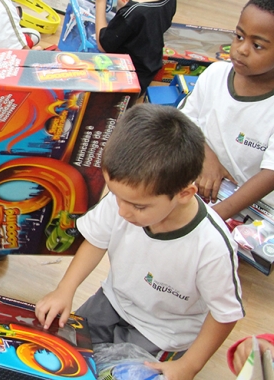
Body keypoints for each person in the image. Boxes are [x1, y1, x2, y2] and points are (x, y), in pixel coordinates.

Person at [35, 105, 244, 380]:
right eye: (116, 196)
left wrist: (189, 366)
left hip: (163, 332)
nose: (122, 211)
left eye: (138, 206)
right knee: (57, 353)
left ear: (184, 193)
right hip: (111, 301)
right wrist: (65, 289)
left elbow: (225, 314)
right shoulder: (126, 200)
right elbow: (96, 241)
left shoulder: (212, 247)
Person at [180, 0, 274, 220]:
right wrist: (208, 157)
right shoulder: (216, 73)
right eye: (239, 36)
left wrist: (212, 219)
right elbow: (184, 120)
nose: (241, 49)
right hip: (199, 185)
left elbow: (270, 175)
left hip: (252, 213)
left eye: (257, 45)